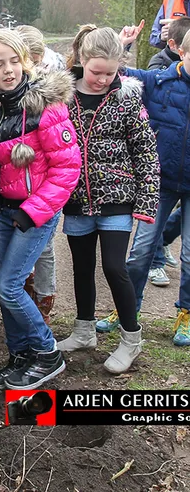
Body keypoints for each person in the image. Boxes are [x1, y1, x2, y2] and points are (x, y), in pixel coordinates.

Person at [0, 29, 80, 391]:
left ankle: (47, 353)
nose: (9, 70)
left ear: (25, 61)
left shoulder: (45, 106)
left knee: (11, 287)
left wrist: (33, 212)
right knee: (5, 287)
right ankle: (19, 356)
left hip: (34, 213)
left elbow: (67, 168)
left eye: (14, 61)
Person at [57, 26, 158, 374]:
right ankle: (84, 330)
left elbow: (145, 150)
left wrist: (147, 201)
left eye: (110, 73)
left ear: (121, 67)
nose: (102, 80)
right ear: (82, 60)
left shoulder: (127, 98)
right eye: (96, 71)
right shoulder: (62, 96)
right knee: (81, 268)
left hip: (117, 197)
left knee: (115, 267)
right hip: (76, 199)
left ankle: (131, 338)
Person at [105, 27, 190, 347]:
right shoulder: (158, 82)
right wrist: (122, 44)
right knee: (140, 252)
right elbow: (116, 73)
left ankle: (186, 315)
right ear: (181, 53)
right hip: (161, 182)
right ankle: (128, 310)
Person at [16, 25, 63, 324]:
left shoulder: (49, 95)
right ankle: (28, 296)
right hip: (16, 186)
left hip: (42, 186)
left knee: (43, 247)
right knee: (22, 249)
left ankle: (43, 300)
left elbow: (61, 155)